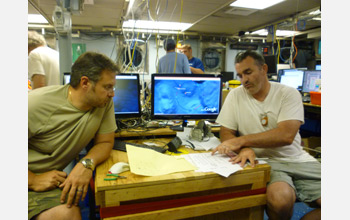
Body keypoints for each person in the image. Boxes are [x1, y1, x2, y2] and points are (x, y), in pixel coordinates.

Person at [212, 50, 321, 220]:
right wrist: (245, 148)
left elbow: (285, 135)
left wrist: (241, 141)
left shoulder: (288, 93)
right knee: (281, 200)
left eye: (248, 72)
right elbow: (226, 131)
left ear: (263, 69)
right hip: (267, 162)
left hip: (298, 160)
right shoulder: (235, 95)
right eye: (240, 75)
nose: (244, 80)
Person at [28, 51, 120, 220]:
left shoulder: (103, 103)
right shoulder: (34, 104)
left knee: (69, 212)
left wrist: (86, 164)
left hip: (47, 181)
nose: (112, 93)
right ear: (85, 82)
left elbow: (105, 142)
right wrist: (32, 180)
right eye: (107, 87)